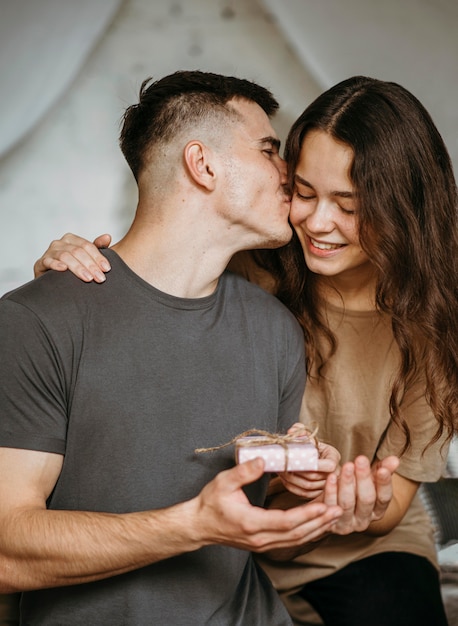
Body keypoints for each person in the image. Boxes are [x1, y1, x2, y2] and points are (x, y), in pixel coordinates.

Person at [39, 76, 458, 626]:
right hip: (219, 540)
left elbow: (390, 509)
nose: (316, 221)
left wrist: (352, 502)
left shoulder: (436, 322)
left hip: (354, 547)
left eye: (350, 206)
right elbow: (152, 266)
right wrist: (78, 272)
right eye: (303, 192)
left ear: (403, 208)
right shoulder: (249, 260)